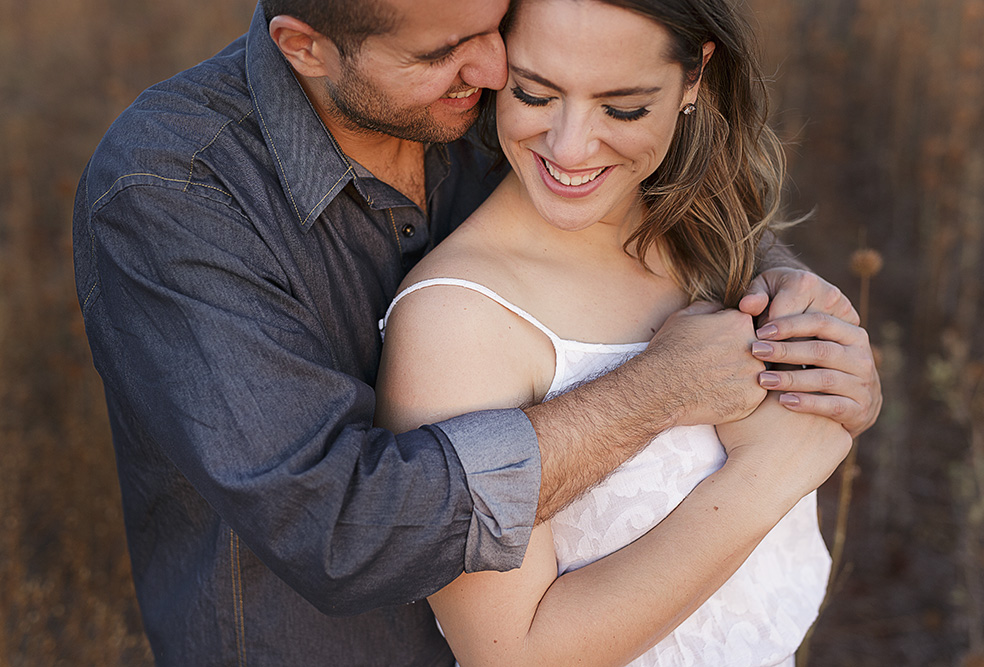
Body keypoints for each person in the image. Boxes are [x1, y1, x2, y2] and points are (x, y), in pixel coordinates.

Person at [71, 0, 880, 664]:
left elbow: (649, 174)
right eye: (445, 52)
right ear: (307, 49)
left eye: (494, 27)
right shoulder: (171, 194)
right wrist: (665, 399)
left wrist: (807, 315)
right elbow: (338, 526)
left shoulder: (488, 102)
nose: (496, 71)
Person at [374, 0, 869, 665]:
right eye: (533, 93)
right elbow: (512, 653)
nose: (569, 147)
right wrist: (769, 475)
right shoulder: (458, 320)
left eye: (625, 108)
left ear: (695, 77)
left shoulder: (701, 232)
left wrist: (839, 380)